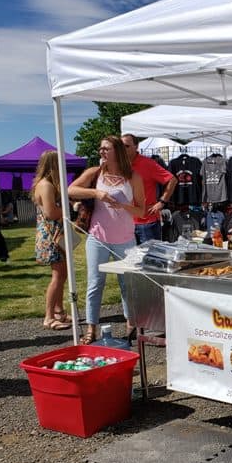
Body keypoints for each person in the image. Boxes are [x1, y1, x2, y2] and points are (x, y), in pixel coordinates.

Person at [68, 135, 145, 344]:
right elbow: (71, 190)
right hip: (98, 237)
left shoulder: (133, 177)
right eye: (101, 148)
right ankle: (91, 328)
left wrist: (124, 206)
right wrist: (96, 193)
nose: (102, 152)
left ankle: (131, 324)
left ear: (117, 151)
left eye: (107, 149)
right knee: (95, 283)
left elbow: (141, 209)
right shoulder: (95, 172)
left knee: (127, 284)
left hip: (125, 238)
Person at [31, 151, 71, 330]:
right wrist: (68, 209)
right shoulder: (46, 185)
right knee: (58, 275)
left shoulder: (44, 184)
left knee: (62, 274)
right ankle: (48, 316)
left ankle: (59, 311)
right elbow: (51, 212)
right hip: (52, 236)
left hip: (54, 234)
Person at [121, 133, 177, 244]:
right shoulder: (119, 165)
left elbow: (172, 180)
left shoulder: (147, 163)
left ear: (136, 146)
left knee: (151, 258)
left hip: (147, 223)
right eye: (121, 147)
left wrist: (162, 202)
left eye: (126, 146)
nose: (123, 149)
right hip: (126, 223)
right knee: (129, 259)